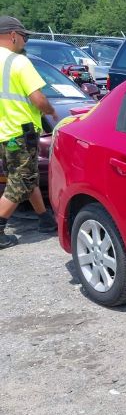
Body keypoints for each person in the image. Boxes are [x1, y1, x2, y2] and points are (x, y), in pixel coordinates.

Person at [0, 16, 58, 249]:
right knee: (21, 179)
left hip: (4, 133)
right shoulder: (18, 62)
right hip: (20, 133)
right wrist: (51, 112)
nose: (26, 41)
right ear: (13, 35)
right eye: (24, 36)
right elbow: (38, 99)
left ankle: (44, 219)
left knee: (26, 175)